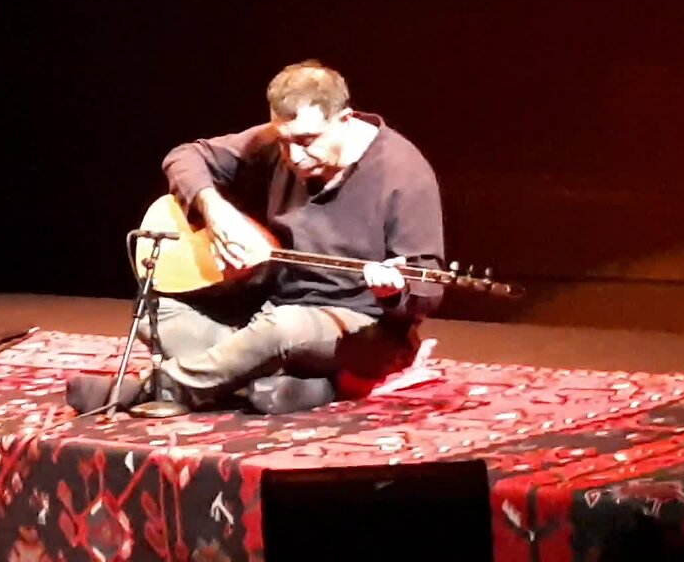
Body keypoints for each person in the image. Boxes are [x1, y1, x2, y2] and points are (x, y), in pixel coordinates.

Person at [67, 60, 445, 414]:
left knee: (282, 330)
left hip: (362, 329)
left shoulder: (404, 174)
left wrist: (392, 292)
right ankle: (296, 388)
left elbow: (428, 287)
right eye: (283, 141)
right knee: (158, 313)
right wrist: (215, 211)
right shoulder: (283, 144)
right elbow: (185, 157)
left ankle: (154, 391)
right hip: (269, 313)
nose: (293, 155)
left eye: (307, 140)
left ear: (344, 120)